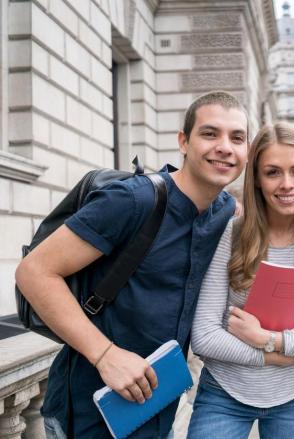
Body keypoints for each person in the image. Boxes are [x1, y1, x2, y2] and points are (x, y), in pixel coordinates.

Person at [14, 91, 248, 438]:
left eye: (237, 138)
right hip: (89, 413)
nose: (225, 147)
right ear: (183, 142)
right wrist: (106, 355)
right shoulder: (133, 200)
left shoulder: (226, 212)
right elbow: (34, 271)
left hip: (157, 411)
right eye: (210, 133)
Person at [187, 123, 294, 438]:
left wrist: (269, 339)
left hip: (293, 398)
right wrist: (272, 355)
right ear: (258, 180)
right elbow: (205, 337)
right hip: (224, 393)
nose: (287, 184)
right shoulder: (232, 234)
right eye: (273, 172)